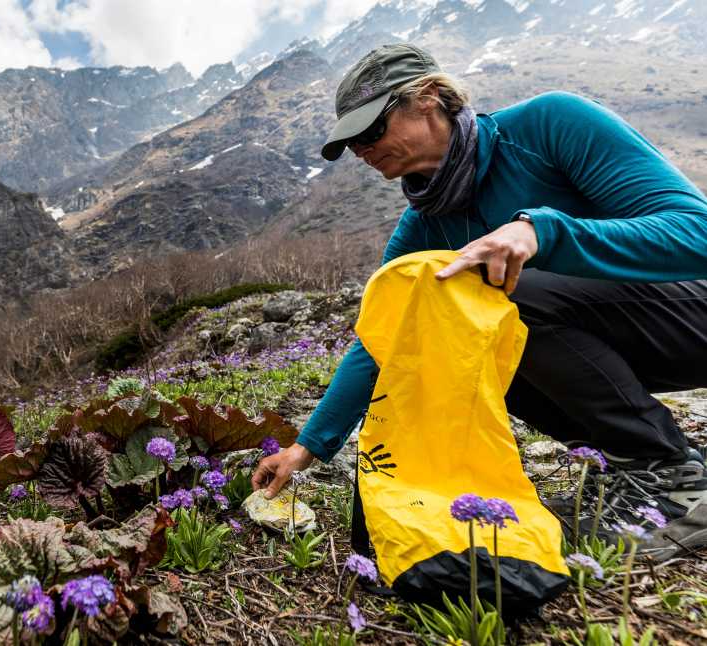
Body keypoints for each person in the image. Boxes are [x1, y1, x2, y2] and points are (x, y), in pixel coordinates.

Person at [251, 42, 707, 556]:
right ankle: (629, 467)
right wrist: (308, 448)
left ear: (427, 98)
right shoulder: (426, 223)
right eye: (349, 142)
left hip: (689, 316)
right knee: (465, 334)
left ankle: (675, 481)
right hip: (610, 343)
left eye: (370, 129)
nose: (360, 148)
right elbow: (382, 338)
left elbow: (698, 233)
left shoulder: (551, 124)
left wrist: (543, 234)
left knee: (498, 295)